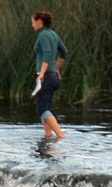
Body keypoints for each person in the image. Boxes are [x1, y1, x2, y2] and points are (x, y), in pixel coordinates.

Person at [31, 11, 68, 139]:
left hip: (46, 77)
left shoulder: (43, 36)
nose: (32, 25)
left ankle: (60, 134)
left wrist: (41, 73)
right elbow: (64, 52)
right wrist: (56, 68)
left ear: (39, 22)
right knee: (45, 107)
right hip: (53, 77)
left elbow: (46, 55)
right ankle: (47, 136)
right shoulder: (53, 34)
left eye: (33, 22)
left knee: (41, 109)